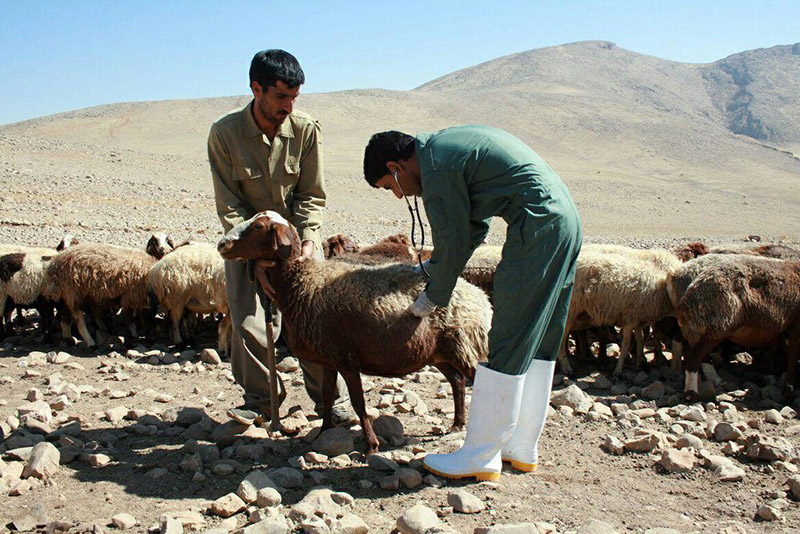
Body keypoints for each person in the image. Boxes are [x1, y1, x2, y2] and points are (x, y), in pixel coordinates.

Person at [363, 125, 582, 481]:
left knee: (509, 334)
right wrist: (439, 265)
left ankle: (479, 454)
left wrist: (430, 298)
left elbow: (451, 235)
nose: (398, 196)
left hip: (538, 227)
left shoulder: (436, 169)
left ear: (395, 167)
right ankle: (520, 445)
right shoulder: (446, 149)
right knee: (540, 337)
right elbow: (471, 228)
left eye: (390, 187)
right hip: (565, 221)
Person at [209, 49, 354, 426]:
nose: (289, 106)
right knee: (246, 323)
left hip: (299, 243)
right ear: (256, 88)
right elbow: (229, 205)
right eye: (280, 97)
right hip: (248, 242)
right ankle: (260, 399)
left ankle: (329, 402)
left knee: (315, 320)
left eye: (294, 98)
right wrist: (255, 257)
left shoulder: (305, 129)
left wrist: (308, 241)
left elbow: (311, 195)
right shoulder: (225, 134)